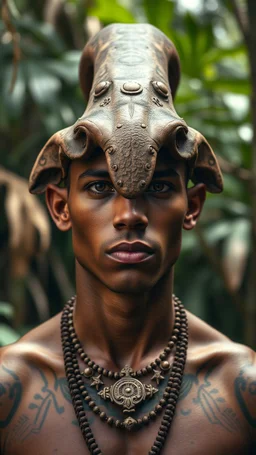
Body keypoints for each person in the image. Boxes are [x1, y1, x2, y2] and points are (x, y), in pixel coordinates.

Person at [0, 23, 255, 455]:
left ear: (192, 206)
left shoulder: (241, 389)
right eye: (100, 188)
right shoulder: (13, 390)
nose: (129, 216)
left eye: (158, 188)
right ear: (60, 207)